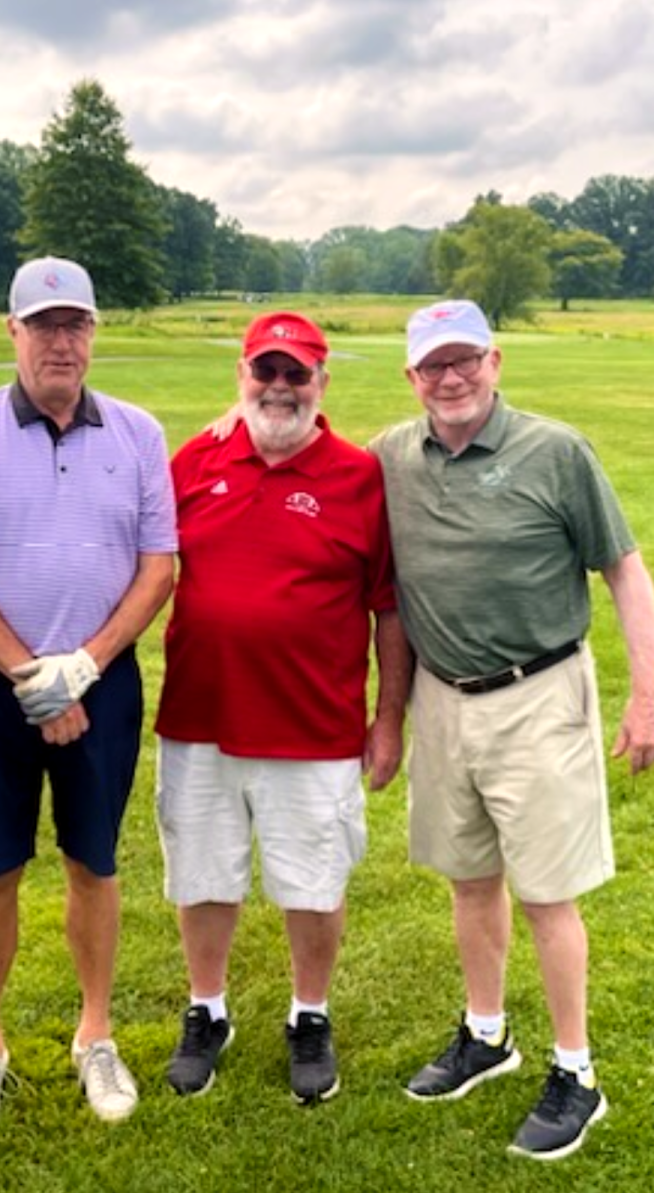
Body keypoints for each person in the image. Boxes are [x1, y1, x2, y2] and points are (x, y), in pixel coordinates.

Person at [370, 299, 654, 1160]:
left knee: (546, 891)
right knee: (469, 878)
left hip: (539, 693)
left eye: (465, 361)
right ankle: (487, 1035)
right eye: (433, 366)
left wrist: (647, 693)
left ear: (495, 362)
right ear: (411, 376)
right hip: (443, 700)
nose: (450, 379)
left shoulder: (556, 451)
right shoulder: (391, 456)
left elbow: (625, 569)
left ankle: (579, 1072)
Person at [0, 255, 177, 1142]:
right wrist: (35, 677)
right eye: (43, 325)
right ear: (14, 333)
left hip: (101, 688)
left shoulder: (139, 433)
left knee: (93, 862)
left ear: (94, 333)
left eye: (75, 325)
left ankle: (95, 1031)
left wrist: (86, 667)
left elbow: (158, 567)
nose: (60, 342)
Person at [154, 311, 410, 1103]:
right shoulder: (193, 460)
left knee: (313, 880)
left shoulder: (359, 476)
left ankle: (310, 1013)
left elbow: (389, 610)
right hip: (200, 716)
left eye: (296, 373)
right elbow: (142, 563)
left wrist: (390, 717)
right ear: (242, 377)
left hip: (315, 725)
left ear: (321, 384)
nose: (279, 386)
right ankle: (208, 1008)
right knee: (202, 873)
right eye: (265, 371)